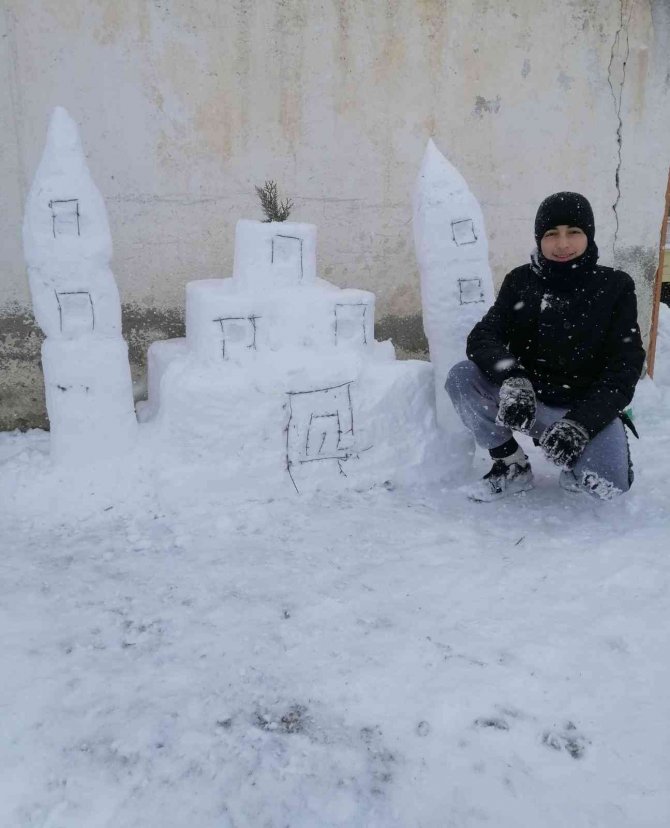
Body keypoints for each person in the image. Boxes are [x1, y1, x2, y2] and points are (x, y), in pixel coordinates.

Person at [445, 191, 645, 501]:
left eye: (573, 232)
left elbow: (625, 367)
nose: (562, 244)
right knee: (462, 376)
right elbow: (483, 336)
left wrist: (581, 423)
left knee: (609, 485)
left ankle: (575, 457)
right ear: (539, 238)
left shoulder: (615, 286)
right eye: (551, 234)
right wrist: (513, 378)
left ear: (589, 235)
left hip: (583, 408)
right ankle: (510, 465)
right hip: (527, 403)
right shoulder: (520, 281)